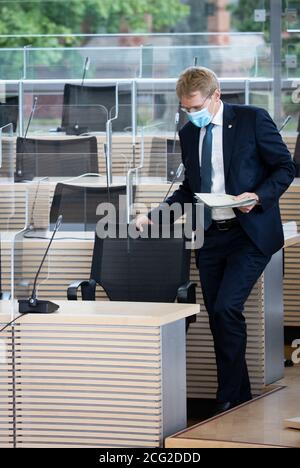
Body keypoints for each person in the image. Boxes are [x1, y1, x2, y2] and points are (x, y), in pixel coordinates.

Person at [136, 66, 295, 415]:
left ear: (215, 95)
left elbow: (285, 168)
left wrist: (259, 195)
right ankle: (238, 397)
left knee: (226, 308)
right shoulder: (188, 133)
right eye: (185, 109)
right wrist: (155, 214)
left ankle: (229, 397)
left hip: (249, 233)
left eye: (196, 107)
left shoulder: (252, 120)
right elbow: (190, 189)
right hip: (210, 236)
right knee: (218, 316)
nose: (191, 114)